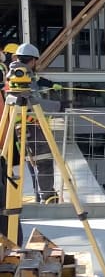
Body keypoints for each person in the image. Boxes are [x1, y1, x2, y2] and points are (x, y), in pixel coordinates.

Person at [5, 43, 63, 203]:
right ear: (33, 60)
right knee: (43, 161)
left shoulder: (17, 73)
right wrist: (59, 106)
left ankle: (41, 195)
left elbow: (37, 81)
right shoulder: (22, 75)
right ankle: (48, 196)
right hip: (31, 125)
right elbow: (31, 100)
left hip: (23, 126)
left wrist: (51, 85)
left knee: (33, 162)